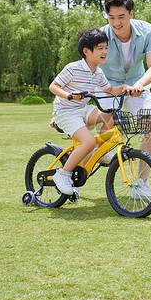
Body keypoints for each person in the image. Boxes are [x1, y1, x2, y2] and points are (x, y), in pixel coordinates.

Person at [49, 28, 135, 197]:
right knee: (88, 141)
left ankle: (100, 152)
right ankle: (63, 174)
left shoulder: (98, 72)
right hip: (66, 111)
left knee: (109, 116)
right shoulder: (73, 68)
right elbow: (53, 86)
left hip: (82, 109)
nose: (105, 52)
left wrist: (125, 88)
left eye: (106, 47)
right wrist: (68, 95)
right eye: (100, 48)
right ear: (86, 51)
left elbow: (110, 89)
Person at [99, 0, 151, 200]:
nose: (116, 23)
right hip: (108, 86)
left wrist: (139, 84)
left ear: (131, 14)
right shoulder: (101, 36)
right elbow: (87, 69)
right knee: (105, 126)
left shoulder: (147, 31)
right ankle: (81, 169)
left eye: (121, 17)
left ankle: (141, 184)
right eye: (111, 18)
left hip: (138, 83)